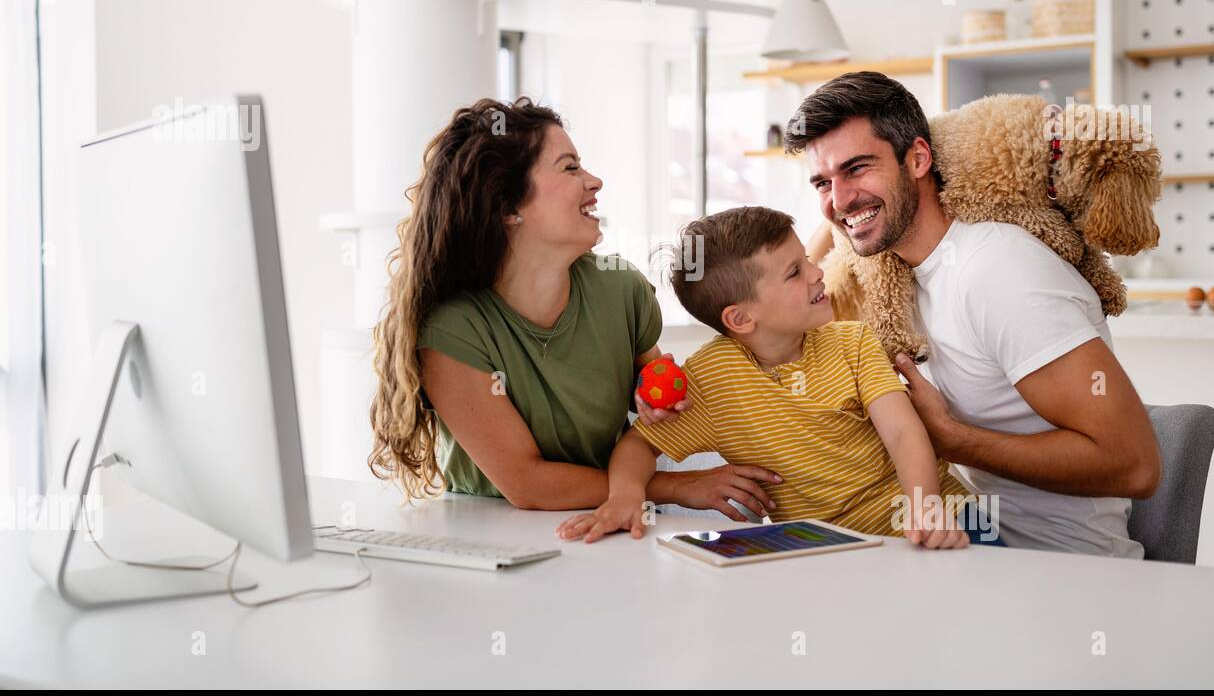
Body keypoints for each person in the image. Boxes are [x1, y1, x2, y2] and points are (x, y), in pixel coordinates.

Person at [792, 72, 1160, 557]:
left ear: (919, 158)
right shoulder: (894, 276)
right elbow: (795, 282)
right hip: (963, 554)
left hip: (1059, 575)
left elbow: (1135, 464)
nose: (839, 201)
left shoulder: (998, 271)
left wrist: (953, 440)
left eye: (858, 168)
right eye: (823, 182)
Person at [368, 97, 782, 519]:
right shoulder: (454, 328)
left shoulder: (620, 289)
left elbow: (653, 412)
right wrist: (675, 487)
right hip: (493, 531)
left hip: (609, 519)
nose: (595, 181)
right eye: (570, 168)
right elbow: (526, 483)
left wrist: (657, 404)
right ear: (507, 206)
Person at [556, 206, 996, 549]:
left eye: (806, 259)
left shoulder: (853, 343)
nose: (817, 272)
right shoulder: (712, 382)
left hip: (944, 514)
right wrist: (626, 498)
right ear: (741, 318)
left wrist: (926, 508)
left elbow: (902, 431)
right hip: (833, 552)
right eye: (794, 272)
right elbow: (639, 446)